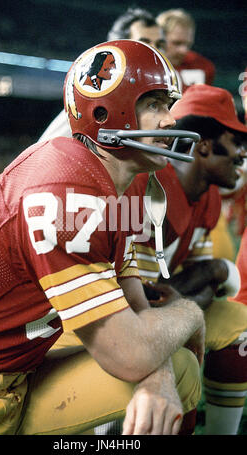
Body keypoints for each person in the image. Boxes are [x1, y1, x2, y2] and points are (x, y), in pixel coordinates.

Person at [0, 40, 204, 436]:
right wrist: (190, 313)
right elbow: (131, 354)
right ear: (105, 109)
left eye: (166, 106)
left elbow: (135, 305)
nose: (169, 121)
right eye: (154, 104)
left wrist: (158, 375)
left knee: (177, 370)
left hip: (23, 368)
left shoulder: (128, 181)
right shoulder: (62, 187)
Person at [130, 84, 247, 434]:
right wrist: (210, 274)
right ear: (206, 145)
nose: (242, 154)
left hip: (155, 309)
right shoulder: (150, 189)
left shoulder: (208, 196)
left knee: (238, 322)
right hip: (107, 323)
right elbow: (146, 301)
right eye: (235, 141)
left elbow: (198, 284)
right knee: (179, 359)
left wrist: (206, 277)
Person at [38, 6, 166, 143]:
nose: (154, 51)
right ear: (118, 48)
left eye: (159, 44)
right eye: (144, 43)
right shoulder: (100, 92)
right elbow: (49, 148)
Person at [156, 9, 215, 92]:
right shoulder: (145, 66)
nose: (183, 50)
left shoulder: (203, 66)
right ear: (159, 40)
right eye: (177, 43)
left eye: (188, 44)